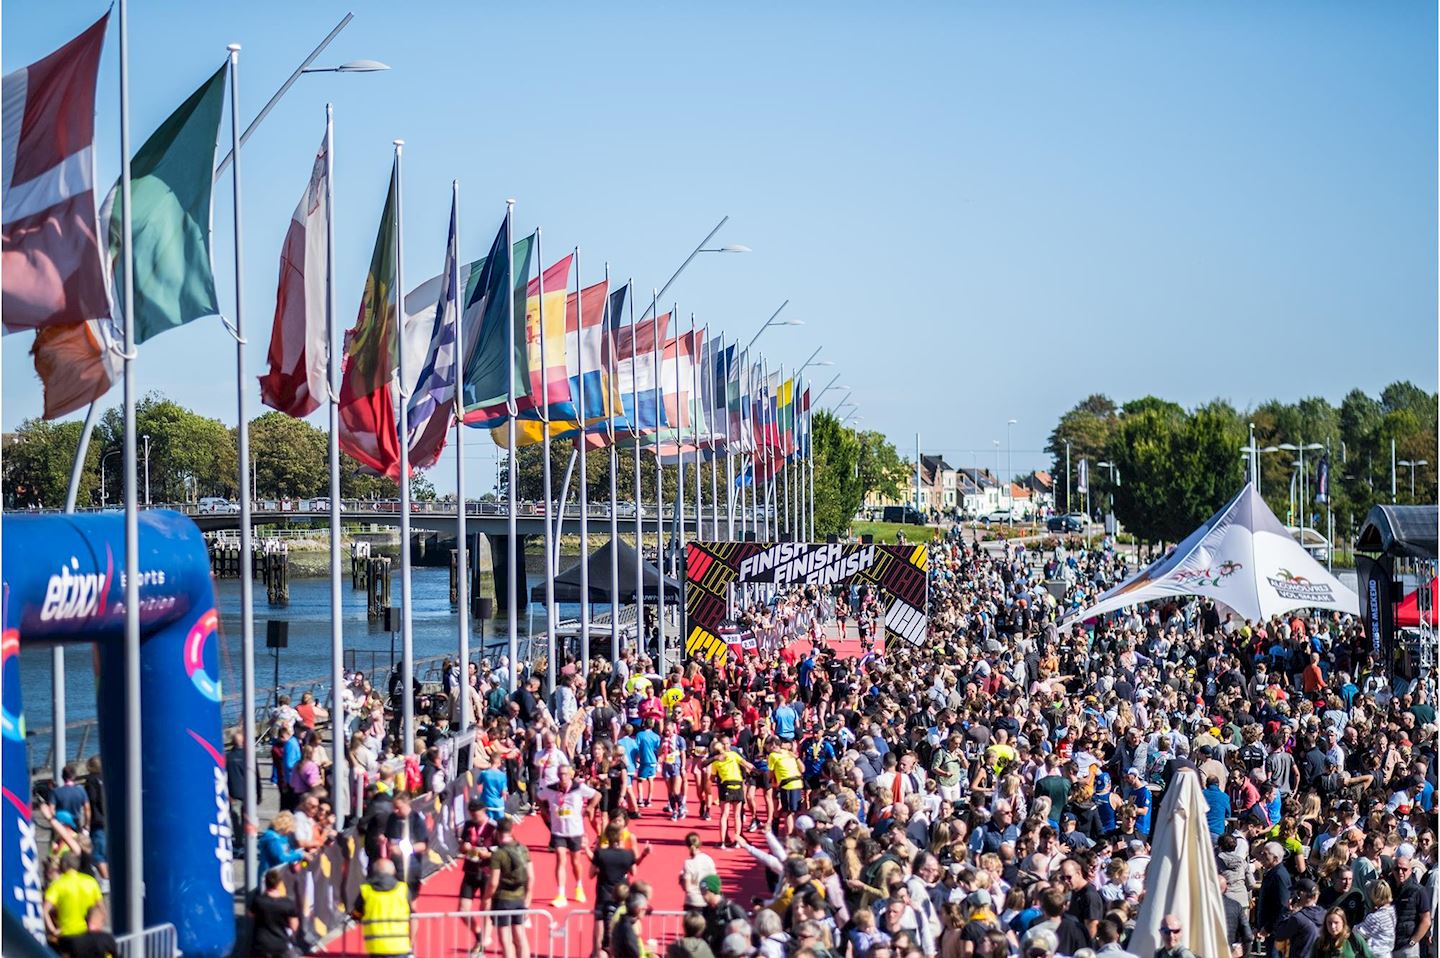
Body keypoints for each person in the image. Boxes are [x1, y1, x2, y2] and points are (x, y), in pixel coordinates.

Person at [536, 764, 599, 908]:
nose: (563, 777)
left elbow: (597, 795)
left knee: (575, 862)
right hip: (558, 831)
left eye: (565, 774)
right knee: (560, 859)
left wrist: (590, 807)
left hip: (575, 830)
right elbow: (538, 796)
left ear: (570, 775)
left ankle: (579, 887)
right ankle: (561, 894)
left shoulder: (578, 788)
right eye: (560, 774)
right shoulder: (551, 789)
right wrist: (543, 809)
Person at [487, 817, 533, 958]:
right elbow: (531, 876)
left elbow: (493, 882)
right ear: (512, 830)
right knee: (520, 936)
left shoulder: (498, 854)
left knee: (506, 940)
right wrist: (528, 899)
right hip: (519, 897)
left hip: (502, 899)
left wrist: (487, 898)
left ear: (497, 832)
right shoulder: (523, 849)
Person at [350, 858, 413, 957]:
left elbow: (357, 913)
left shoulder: (366, 891)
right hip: (400, 945)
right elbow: (412, 916)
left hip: (376, 947)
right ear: (393, 871)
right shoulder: (403, 889)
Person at [457, 798, 495, 958]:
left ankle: (483, 943)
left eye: (476, 814)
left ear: (484, 811)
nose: (474, 817)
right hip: (470, 870)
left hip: (487, 871)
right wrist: (464, 847)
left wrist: (485, 853)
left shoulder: (493, 827)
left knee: (486, 908)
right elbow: (462, 845)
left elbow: (499, 852)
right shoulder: (467, 825)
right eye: (472, 814)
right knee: (462, 910)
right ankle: (478, 934)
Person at [43, 852, 103, 952]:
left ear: (63, 865)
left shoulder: (57, 885)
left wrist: (53, 930)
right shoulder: (91, 882)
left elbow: (45, 910)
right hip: (87, 934)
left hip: (67, 936)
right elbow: (101, 908)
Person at [248, 869, 300, 958]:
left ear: (266, 883)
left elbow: (250, 914)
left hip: (261, 945)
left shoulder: (258, 901)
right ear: (279, 884)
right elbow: (294, 926)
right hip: (280, 945)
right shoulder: (287, 904)